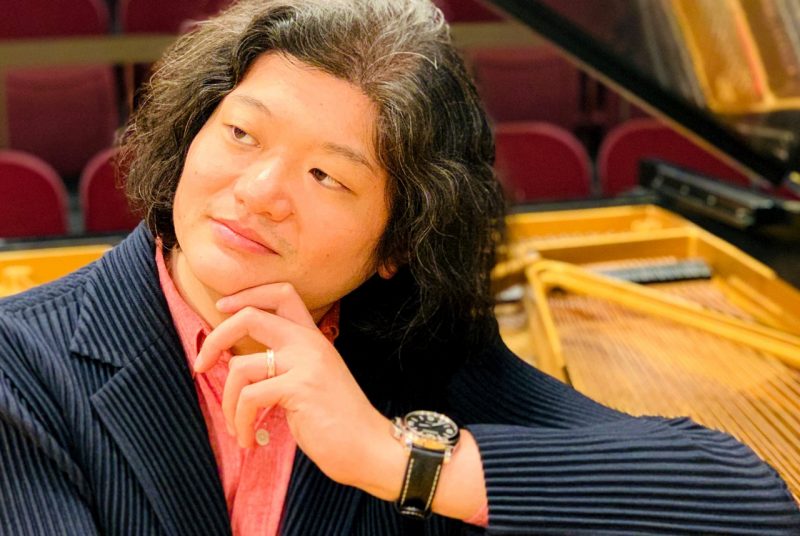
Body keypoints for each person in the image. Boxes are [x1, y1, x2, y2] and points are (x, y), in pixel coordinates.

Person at [0, 0, 798, 534]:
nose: (261, 191)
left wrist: (390, 457)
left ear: (398, 244)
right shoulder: (22, 362)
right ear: (190, 135)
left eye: (329, 177)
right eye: (242, 133)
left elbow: (748, 502)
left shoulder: (414, 351)